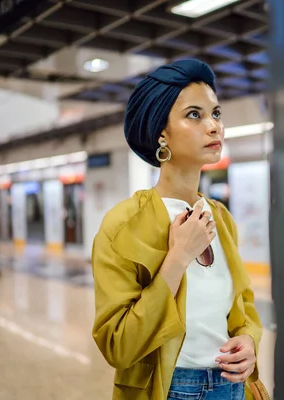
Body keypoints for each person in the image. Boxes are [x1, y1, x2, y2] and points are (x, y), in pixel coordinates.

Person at [91, 59, 264, 400]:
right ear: (161, 133)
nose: (214, 126)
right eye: (194, 115)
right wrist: (178, 258)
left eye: (216, 113)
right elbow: (117, 346)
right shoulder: (123, 226)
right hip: (169, 390)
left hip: (232, 388)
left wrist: (248, 340)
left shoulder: (221, 217)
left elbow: (243, 305)